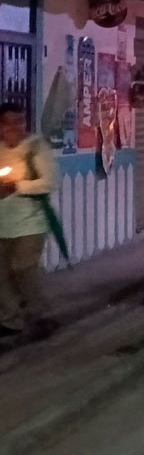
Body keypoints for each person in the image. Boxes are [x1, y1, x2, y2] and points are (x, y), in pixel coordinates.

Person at [0, 103, 58, 339]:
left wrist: (18, 186)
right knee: (1, 274)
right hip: (3, 224)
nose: (15, 127)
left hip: (30, 224)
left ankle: (40, 314)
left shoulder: (36, 147)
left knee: (23, 268)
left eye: (20, 121)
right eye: (8, 122)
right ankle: (10, 320)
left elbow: (49, 182)